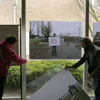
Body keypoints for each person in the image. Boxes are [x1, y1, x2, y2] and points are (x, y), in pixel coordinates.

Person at [0, 36, 27, 100]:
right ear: (11, 43)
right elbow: (17, 60)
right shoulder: (9, 51)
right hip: (1, 73)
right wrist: (25, 61)